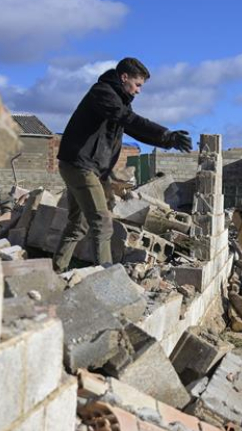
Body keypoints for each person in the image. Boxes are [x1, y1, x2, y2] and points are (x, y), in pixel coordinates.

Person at [53, 57, 192, 272]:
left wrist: (168, 140)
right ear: (124, 77)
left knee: (78, 225)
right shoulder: (102, 93)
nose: (138, 91)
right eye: (137, 85)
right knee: (102, 223)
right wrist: (165, 133)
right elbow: (129, 119)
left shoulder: (116, 100)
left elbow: (133, 127)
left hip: (81, 166)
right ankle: (108, 278)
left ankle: (57, 271)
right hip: (81, 166)